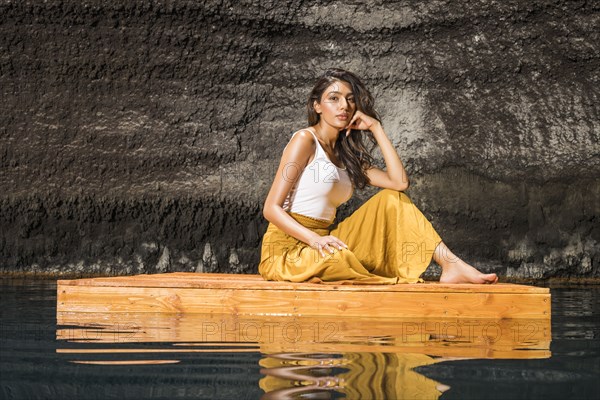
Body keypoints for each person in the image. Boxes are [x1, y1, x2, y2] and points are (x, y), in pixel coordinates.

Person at [259, 68, 498, 285]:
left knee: (392, 200)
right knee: (339, 258)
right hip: (287, 250)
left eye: (350, 99)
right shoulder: (305, 140)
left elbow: (399, 183)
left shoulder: (347, 157)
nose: (344, 106)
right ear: (317, 106)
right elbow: (271, 208)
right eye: (334, 98)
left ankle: (450, 263)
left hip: (326, 242)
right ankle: (334, 261)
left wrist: (376, 128)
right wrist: (314, 240)